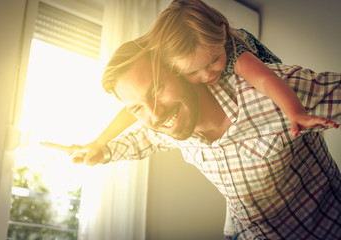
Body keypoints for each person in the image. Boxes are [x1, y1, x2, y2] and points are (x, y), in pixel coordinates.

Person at [62, 39, 341, 239]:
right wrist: (102, 152)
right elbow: (142, 140)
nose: (155, 114)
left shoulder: (268, 95)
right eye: (137, 107)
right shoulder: (173, 125)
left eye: (156, 90)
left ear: (181, 71)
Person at [77, 0, 335, 164]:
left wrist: (296, 112)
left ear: (222, 33)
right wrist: (100, 143)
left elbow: (267, 81)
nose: (207, 75)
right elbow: (135, 118)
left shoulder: (235, 57)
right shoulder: (169, 65)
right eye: (193, 72)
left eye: (212, 61)